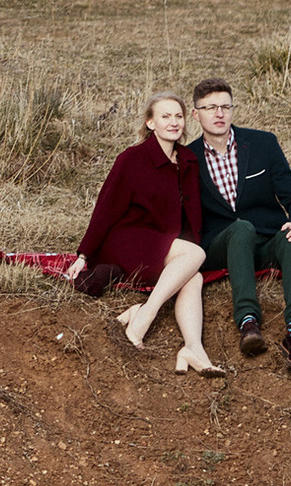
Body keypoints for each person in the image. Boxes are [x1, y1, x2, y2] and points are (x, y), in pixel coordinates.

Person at [67, 92, 224, 375]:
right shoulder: (132, 158)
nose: (174, 122)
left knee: (195, 274)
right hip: (126, 240)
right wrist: (84, 253)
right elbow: (105, 209)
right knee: (195, 255)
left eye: (178, 116)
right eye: (165, 116)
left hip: (163, 244)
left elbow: (194, 212)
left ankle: (192, 347)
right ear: (150, 123)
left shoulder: (188, 160)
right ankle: (145, 318)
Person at [188, 77, 291, 370]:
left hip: (265, 237)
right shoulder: (188, 158)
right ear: (196, 114)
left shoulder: (262, 144)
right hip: (222, 242)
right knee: (241, 228)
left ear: (233, 110)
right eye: (209, 107)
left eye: (224, 106)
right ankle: (248, 323)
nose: (218, 114)